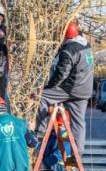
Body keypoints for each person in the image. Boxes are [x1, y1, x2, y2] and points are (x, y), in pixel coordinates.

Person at [36, 21, 94, 155]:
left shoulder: (69, 49)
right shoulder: (86, 45)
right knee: (78, 122)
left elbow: (62, 73)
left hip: (71, 89)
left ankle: (41, 131)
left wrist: (49, 86)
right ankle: (77, 153)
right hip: (84, 90)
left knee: (43, 96)